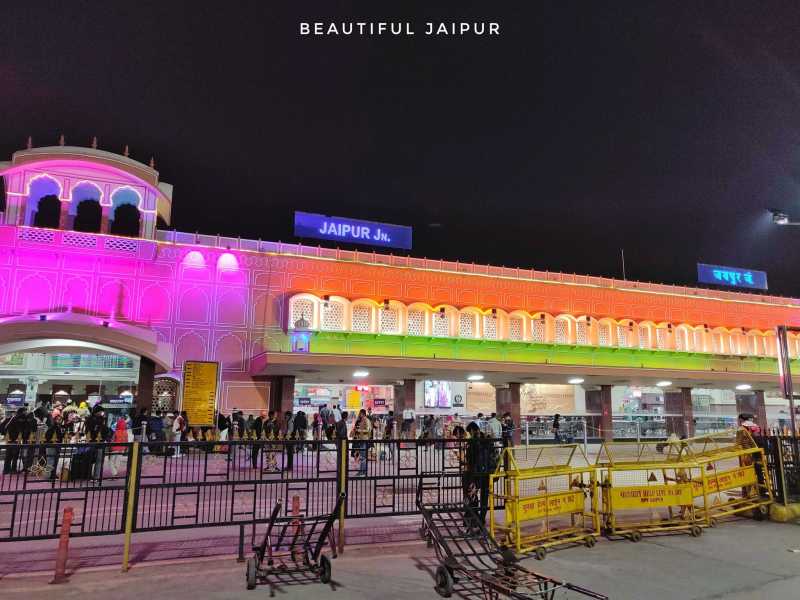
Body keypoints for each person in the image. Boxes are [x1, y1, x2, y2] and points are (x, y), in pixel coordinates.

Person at [463, 421, 494, 527]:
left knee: (473, 494)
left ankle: (473, 518)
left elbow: (470, 458)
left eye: (469, 432)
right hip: (488, 472)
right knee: (485, 497)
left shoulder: (473, 441)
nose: (469, 434)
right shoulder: (487, 439)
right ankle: (482, 519)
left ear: (472, 430)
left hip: (476, 472)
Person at [2, 408, 27, 474]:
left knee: (8, 455)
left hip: (9, 439)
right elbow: (21, 429)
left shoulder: (11, 418)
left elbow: (3, 426)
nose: (26, 412)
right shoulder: (21, 418)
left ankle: (6, 470)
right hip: (15, 439)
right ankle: (13, 470)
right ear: (22, 412)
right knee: (15, 456)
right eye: (25, 411)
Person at [44, 414, 66, 479]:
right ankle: (48, 475)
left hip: (57, 445)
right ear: (55, 420)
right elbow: (47, 436)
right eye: (58, 419)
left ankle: (52, 474)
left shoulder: (60, 427)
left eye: (60, 419)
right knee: (50, 460)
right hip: (51, 445)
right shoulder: (52, 427)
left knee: (55, 461)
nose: (59, 420)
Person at [352, 409, 371, 476]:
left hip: (364, 440)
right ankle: (361, 471)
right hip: (361, 440)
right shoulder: (362, 420)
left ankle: (363, 472)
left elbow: (368, 430)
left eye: (360, 413)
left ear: (362, 413)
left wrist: (359, 430)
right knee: (362, 457)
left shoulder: (366, 420)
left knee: (363, 457)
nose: (359, 415)